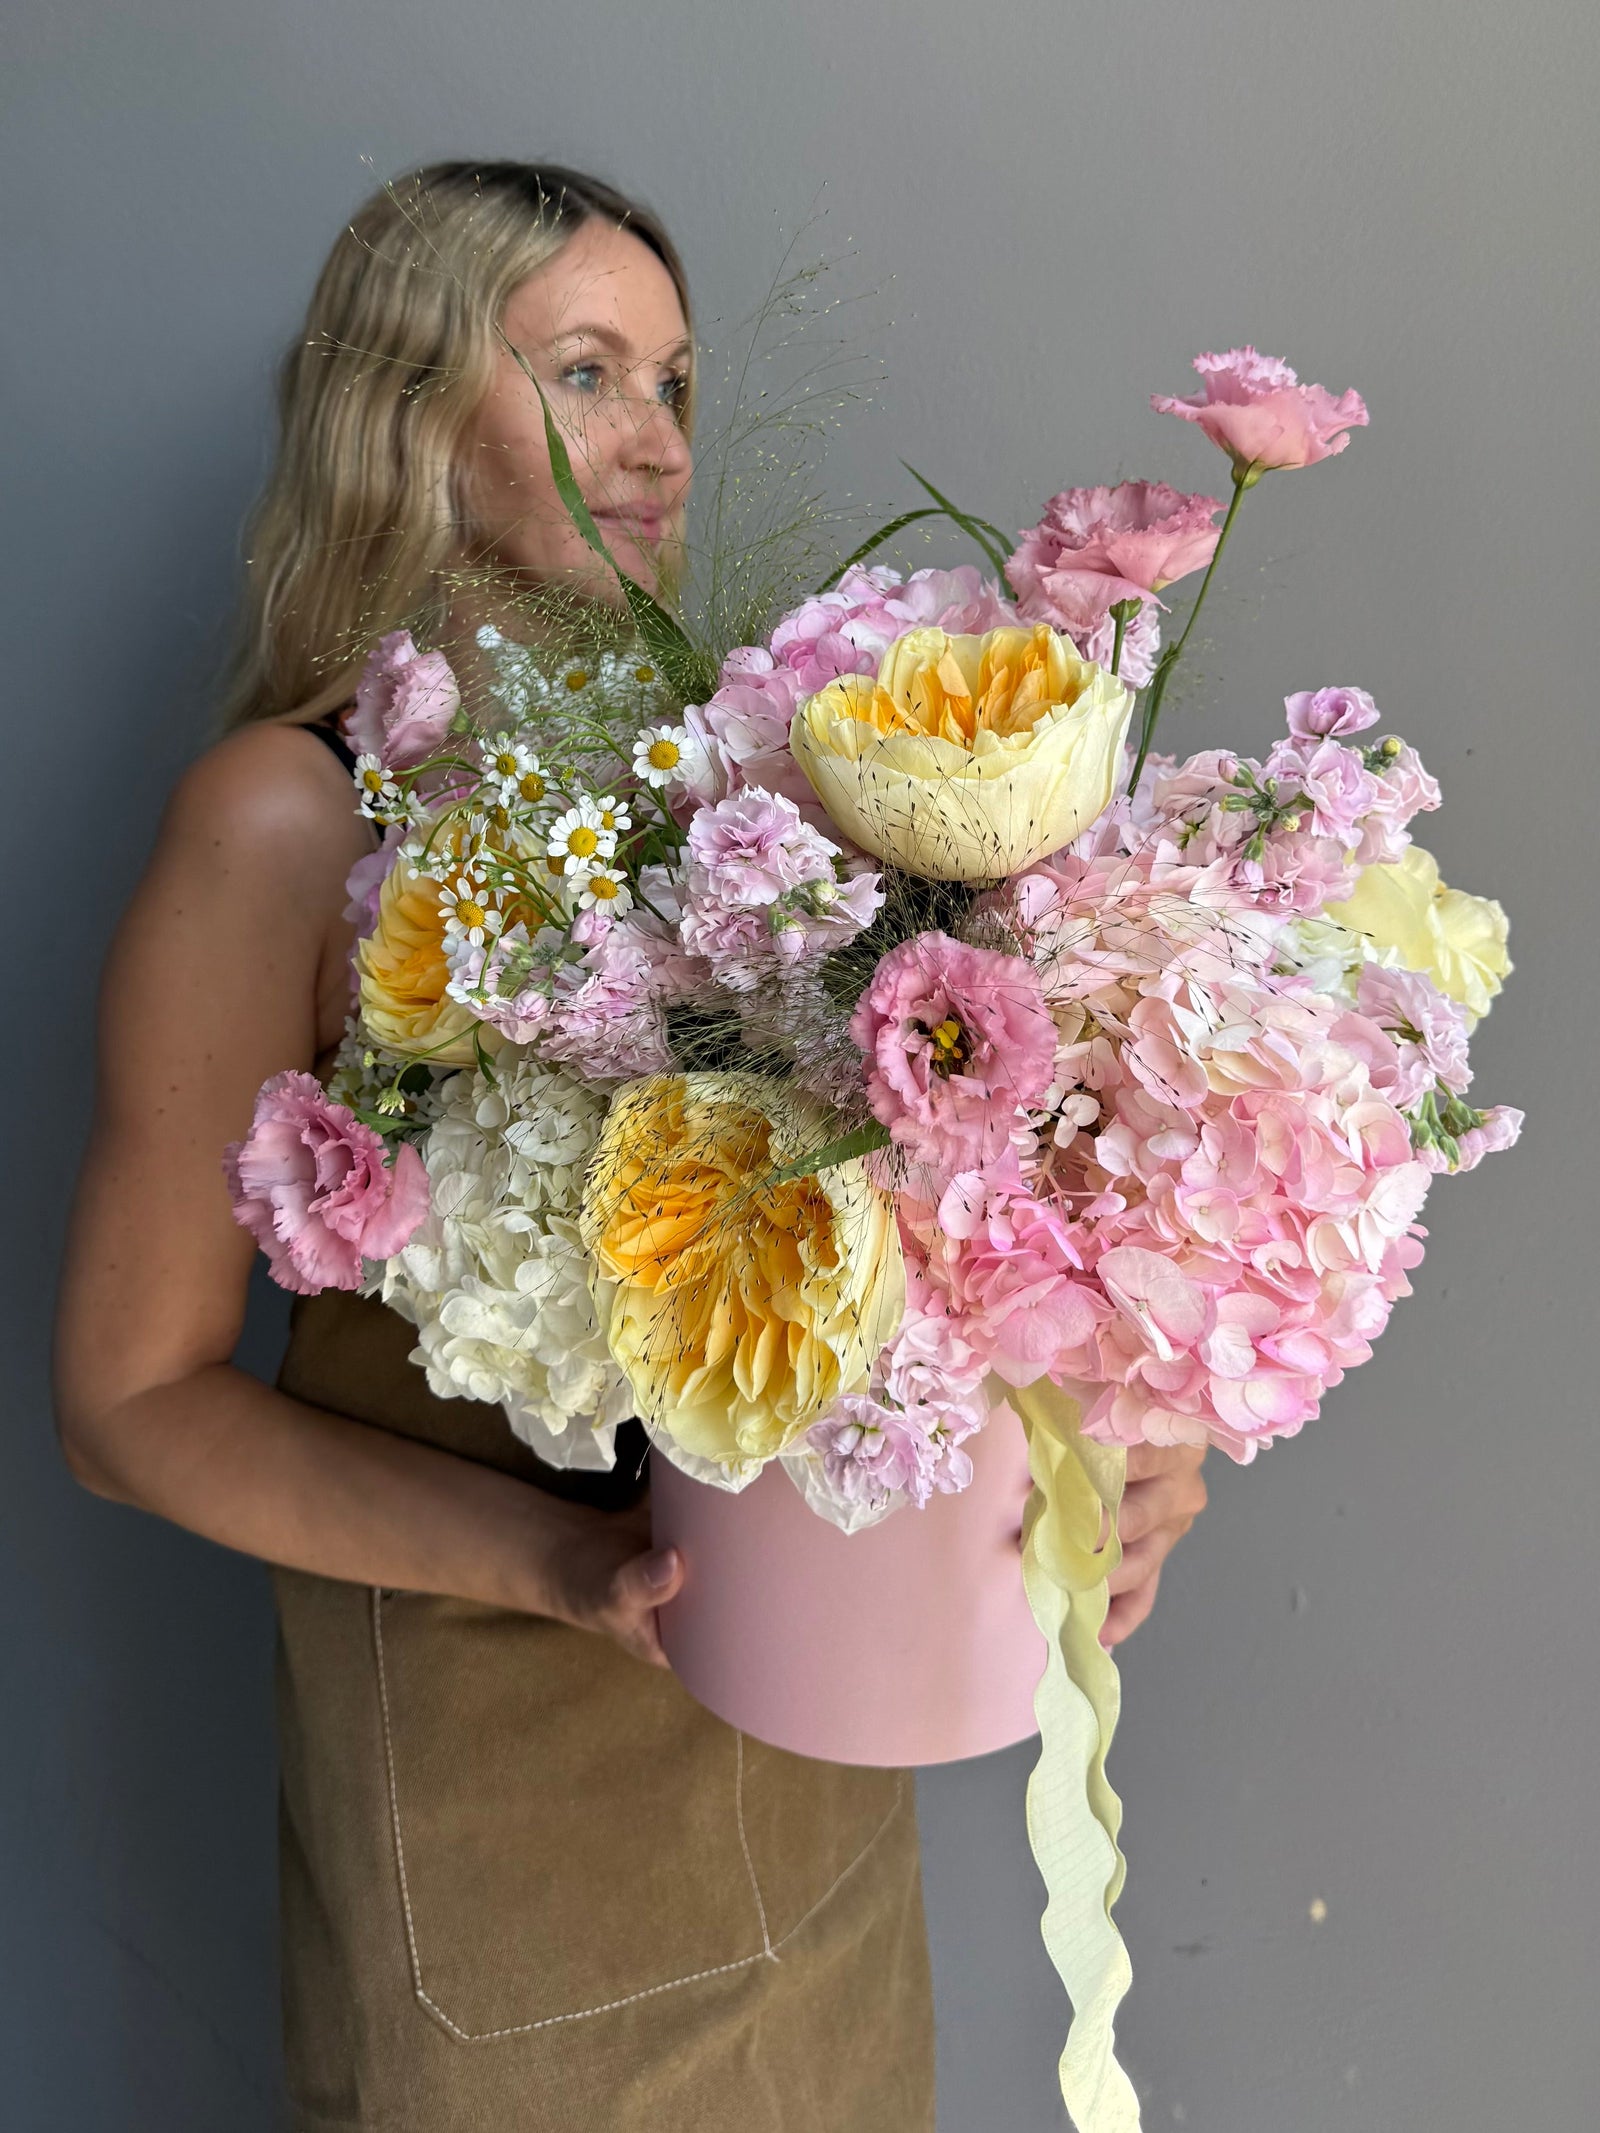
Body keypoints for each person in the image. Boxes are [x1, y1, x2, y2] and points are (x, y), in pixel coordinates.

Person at [52, 160, 1209, 2131]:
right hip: (496, 1765)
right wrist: (559, 1560)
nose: (658, 441)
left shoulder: (740, 800)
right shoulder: (284, 821)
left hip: (803, 1745)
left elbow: (917, 1248)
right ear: (404, 412)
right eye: (583, 373)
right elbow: (128, 1402)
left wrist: (1102, 1451)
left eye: (673, 381)